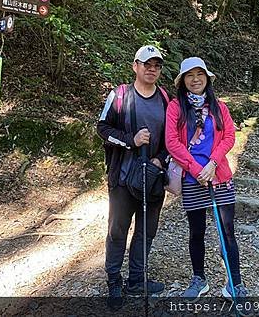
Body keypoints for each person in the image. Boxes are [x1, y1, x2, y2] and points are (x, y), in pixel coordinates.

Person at [165, 57, 248, 301]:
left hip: (219, 176)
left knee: (228, 231)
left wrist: (212, 164)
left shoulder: (219, 106)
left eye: (200, 74)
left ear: (207, 78)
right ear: (183, 81)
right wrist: (195, 169)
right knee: (196, 231)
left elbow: (229, 136)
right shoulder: (175, 107)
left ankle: (235, 282)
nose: (195, 79)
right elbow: (172, 142)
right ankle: (199, 278)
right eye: (190, 75)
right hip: (193, 180)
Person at [97, 45, 170, 310]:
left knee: (146, 231)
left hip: (152, 177)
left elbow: (171, 140)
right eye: (146, 64)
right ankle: (114, 281)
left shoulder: (164, 98)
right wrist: (131, 140)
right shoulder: (120, 95)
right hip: (123, 176)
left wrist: (160, 159)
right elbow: (102, 128)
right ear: (135, 66)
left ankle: (137, 279)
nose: (151, 69)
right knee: (117, 230)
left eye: (156, 65)